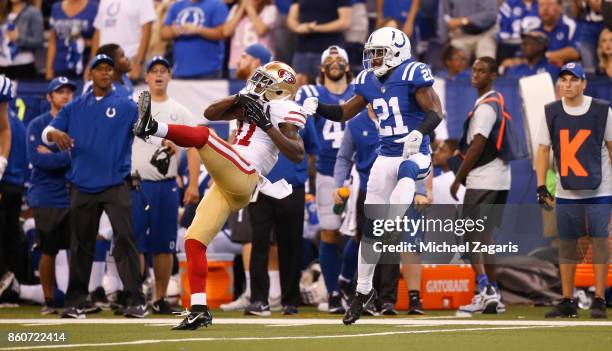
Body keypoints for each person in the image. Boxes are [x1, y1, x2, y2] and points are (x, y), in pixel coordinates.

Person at [133, 60, 306, 330]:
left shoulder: (285, 108)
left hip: (246, 173)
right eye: (258, 79)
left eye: (265, 82)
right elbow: (210, 111)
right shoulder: (249, 102)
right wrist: (239, 97)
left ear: (280, 89)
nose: (258, 84)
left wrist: (267, 125)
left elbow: (297, 154)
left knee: (204, 135)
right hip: (228, 182)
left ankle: (152, 127)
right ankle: (199, 309)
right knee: (194, 239)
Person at [302, 27, 443, 324]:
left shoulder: (412, 73)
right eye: (372, 53)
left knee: (406, 175)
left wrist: (418, 132)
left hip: (415, 153)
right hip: (385, 156)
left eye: (379, 52)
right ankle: (363, 291)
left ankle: (394, 222)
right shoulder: (367, 80)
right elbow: (344, 112)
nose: (374, 58)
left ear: (397, 51)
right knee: (371, 231)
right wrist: (319, 108)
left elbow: (436, 112)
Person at [43, 54, 146, 319]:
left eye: (109, 69)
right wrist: (55, 134)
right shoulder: (75, 107)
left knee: (124, 240)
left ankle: (135, 299)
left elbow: (146, 129)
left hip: (116, 182)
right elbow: (48, 132)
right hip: (82, 184)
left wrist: (166, 140)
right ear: (90, 74)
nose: (105, 73)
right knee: (80, 245)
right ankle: (75, 302)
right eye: (99, 69)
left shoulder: (125, 104)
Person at [535, 62, 611, 319]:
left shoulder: (602, 111)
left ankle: (599, 298)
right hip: (567, 189)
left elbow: (611, 148)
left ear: (584, 83)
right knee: (566, 245)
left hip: (600, 187)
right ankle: (568, 299)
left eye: (573, 79)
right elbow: (543, 149)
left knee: (600, 242)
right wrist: (541, 185)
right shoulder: (550, 112)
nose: (567, 84)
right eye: (563, 79)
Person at [131, 56, 201, 314]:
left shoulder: (180, 111)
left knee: (164, 244)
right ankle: (136, 296)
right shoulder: (134, 106)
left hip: (165, 184)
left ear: (170, 77)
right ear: (146, 77)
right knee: (135, 242)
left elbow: (194, 147)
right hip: (136, 184)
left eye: (163, 71)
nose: (159, 75)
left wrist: (193, 184)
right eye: (154, 71)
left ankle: (159, 297)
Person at [295, 45, 355, 314]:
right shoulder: (310, 93)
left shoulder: (360, 92)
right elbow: (299, 128)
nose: (334, 62)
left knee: (361, 233)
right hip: (327, 172)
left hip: (359, 174)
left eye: (339, 58)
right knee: (329, 232)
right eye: (328, 59)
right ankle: (332, 293)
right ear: (321, 68)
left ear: (348, 65)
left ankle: (352, 288)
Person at [219, 44, 277, 313]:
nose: (238, 59)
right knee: (254, 237)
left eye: (244, 56)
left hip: (254, 170)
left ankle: (258, 292)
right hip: (255, 169)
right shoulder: (245, 94)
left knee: (254, 236)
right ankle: (263, 291)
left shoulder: (268, 98)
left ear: (258, 63)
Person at [450, 57, 511, 315]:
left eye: (482, 70)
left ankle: (484, 290)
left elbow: (477, 145)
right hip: (499, 178)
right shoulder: (492, 102)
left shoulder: (487, 106)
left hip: (484, 178)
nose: (475, 74)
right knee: (485, 238)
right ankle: (493, 292)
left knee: (470, 237)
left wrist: (457, 178)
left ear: (493, 75)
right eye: (474, 69)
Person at [245, 109, 319, 316]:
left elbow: (312, 150)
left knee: (290, 244)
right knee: (259, 242)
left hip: (290, 186)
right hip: (259, 184)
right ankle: (259, 300)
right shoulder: (254, 112)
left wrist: (298, 174)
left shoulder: (300, 113)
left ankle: (290, 300)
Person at [25, 77, 76, 315]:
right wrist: (67, 157)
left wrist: (58, 155)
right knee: (49, 248)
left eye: (68, 91)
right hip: (46, 195)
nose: (65, 96)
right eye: (59, 92)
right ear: (49, 96)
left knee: (77, 247)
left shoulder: (77, 123)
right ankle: (48, 299)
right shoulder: (37, 124)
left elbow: (81, 157)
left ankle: (75, 298)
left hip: (73, 193)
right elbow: (38, 160)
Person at [87, 0, 156, 81]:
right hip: (104, 64)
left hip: (129, 60)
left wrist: (138, 64)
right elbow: (98, 31)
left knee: (134, 93)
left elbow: (146, 32)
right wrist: (92, 64)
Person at [0, 80, 26, 290]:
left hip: (5, 179)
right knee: (12, 232)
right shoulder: (19, 123)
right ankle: (19, 282)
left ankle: (6, 277)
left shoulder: (8, 124)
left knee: (6, 232)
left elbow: (4, 131)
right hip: (15, 182)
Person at [287, 0, 352, 85]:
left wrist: (314, 28)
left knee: (330, 89)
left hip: (330, 54)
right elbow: (291, 19)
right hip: (302, 51)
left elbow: (345, 22)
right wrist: (298, 28)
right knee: (298, 89)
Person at [161, 0, 229, 79]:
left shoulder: (217, 5)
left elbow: (222, 33)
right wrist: (175, 31)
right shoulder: (176, 6)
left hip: (209, 72)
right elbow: (163, 34)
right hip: (179, 71)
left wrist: (197, 30)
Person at [223, 0, 277, 78]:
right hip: (237, 64)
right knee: (237, 89)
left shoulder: (270, 9)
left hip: (262, 64)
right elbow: (226, 32)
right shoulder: (236, 9)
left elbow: (261, 30)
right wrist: (241, 8)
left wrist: (249, 7)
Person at [46, 0, 98, 80]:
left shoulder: (95, 7)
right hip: (59, 67)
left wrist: (91, 66)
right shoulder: (56, 8)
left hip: (84, 68)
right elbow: (52, 42)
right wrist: (49, 70)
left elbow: (98, 41)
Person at [523, 0, 581, 67]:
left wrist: (544, 57)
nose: (545, 8)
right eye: (541, 5)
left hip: (561, 72)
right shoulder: (532, 29)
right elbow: (523, 54)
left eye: (549, 4)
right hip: (534, 71)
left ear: (560, 7)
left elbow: (575, 52)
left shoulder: (571, 25)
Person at [0, 0, 44, 79]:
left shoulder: (33, 12)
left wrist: (18, 38)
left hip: (23, 66)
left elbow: (38, 41)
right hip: (2, 66)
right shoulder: (2, 12)